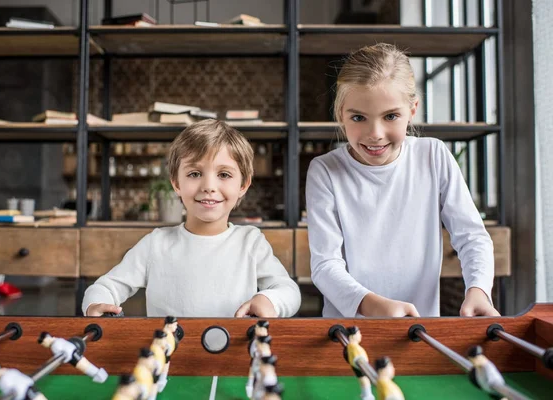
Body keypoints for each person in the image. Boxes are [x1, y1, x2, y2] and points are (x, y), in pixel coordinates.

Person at [306, 43, 498, 318]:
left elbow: (472, 237)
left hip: (419, 328)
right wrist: (375, 306)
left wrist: (478, 289)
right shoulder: (324, 170)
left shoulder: (433, 155)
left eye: (391, 116)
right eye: (358, 117)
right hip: (349, 330)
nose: (375, 134)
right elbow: (325, 265)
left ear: (412, 110)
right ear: (340, 115)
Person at [83, 119, 301, 318]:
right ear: (176, 183)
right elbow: (104, 287)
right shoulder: (155, 244)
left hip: (234, 359)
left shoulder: (251, 243)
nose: (208, 187)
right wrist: (96, 304)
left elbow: (289, 291)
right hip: (167, 359)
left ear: (243, 185)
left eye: (224, 174)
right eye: (195, 174)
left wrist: (269, 300)